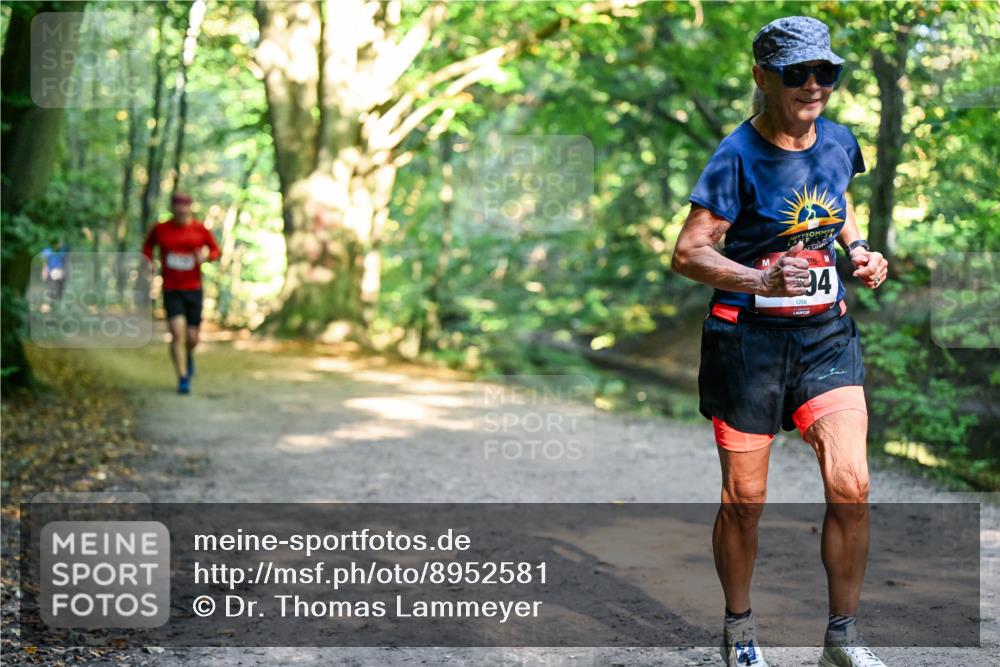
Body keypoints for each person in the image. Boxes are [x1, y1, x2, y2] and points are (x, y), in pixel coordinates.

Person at [670, 16, 890, 667]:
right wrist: (759, 277)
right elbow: (688, 253)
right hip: (748, 346)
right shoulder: (736, 156)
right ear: (763, 77)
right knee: (745, 503)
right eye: (798, 73)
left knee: (851, 484)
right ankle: (739, 633)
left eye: (826, 72)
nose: (814, 85)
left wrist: (860, 249)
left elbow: (838, 198)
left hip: (826, 337)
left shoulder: (841, 140)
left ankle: (841, 640)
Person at [142, 192, 220, 394]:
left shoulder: (199, 229)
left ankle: (188, 355)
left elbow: (215, 251)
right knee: (177, 334)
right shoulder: (161, 229)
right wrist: (148, 263)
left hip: (194, 289)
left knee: (192, 338)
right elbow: (148, 247)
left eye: (184, 206)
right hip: (171, 289)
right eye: (177, 206)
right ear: (173, 207)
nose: (181, 209)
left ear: (189, 207)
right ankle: (183, 377)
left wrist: (206, 257)